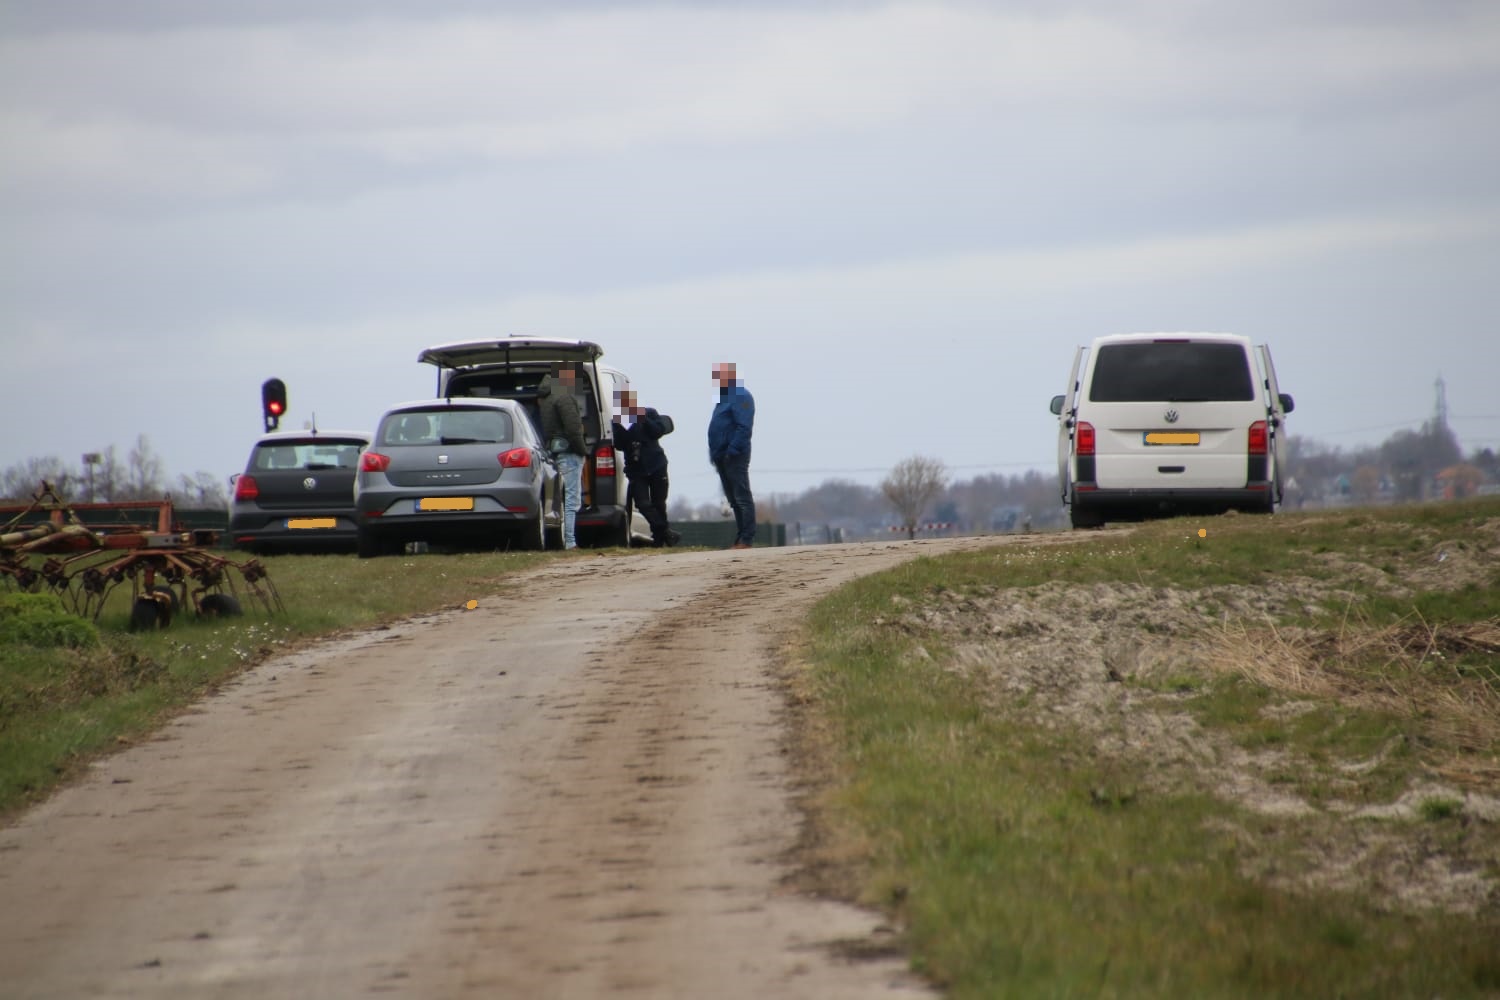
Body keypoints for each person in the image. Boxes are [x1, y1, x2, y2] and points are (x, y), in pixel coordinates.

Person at [612, 390, 680, 547]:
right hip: (636, 469)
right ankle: (666, 532)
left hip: (657, 465)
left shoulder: (649, 413)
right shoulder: (619, 421)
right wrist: (626, 428)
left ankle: (659, 540)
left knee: (659, 503)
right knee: (642, 504)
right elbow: (619, 444)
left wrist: (641, 418)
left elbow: (658, 431)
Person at [537, 362, 588, 550]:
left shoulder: (545, 399)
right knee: (571, 499)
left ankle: (564, 539)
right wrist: (583, 450)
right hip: (569, 452)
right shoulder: (564, 398)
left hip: (555, 451)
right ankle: (570, 541)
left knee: (558, 498)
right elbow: (574, 429)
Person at [708, 362, 756, 549]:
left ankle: (747, 538)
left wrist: (732, 450)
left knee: (742, 496)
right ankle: (740, 537)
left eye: (719, 376)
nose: (716, 380)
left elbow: (744, 427)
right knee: (733, 499)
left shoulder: (742, 396)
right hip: (721, 455)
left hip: (735, 455)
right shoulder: (722, 398)